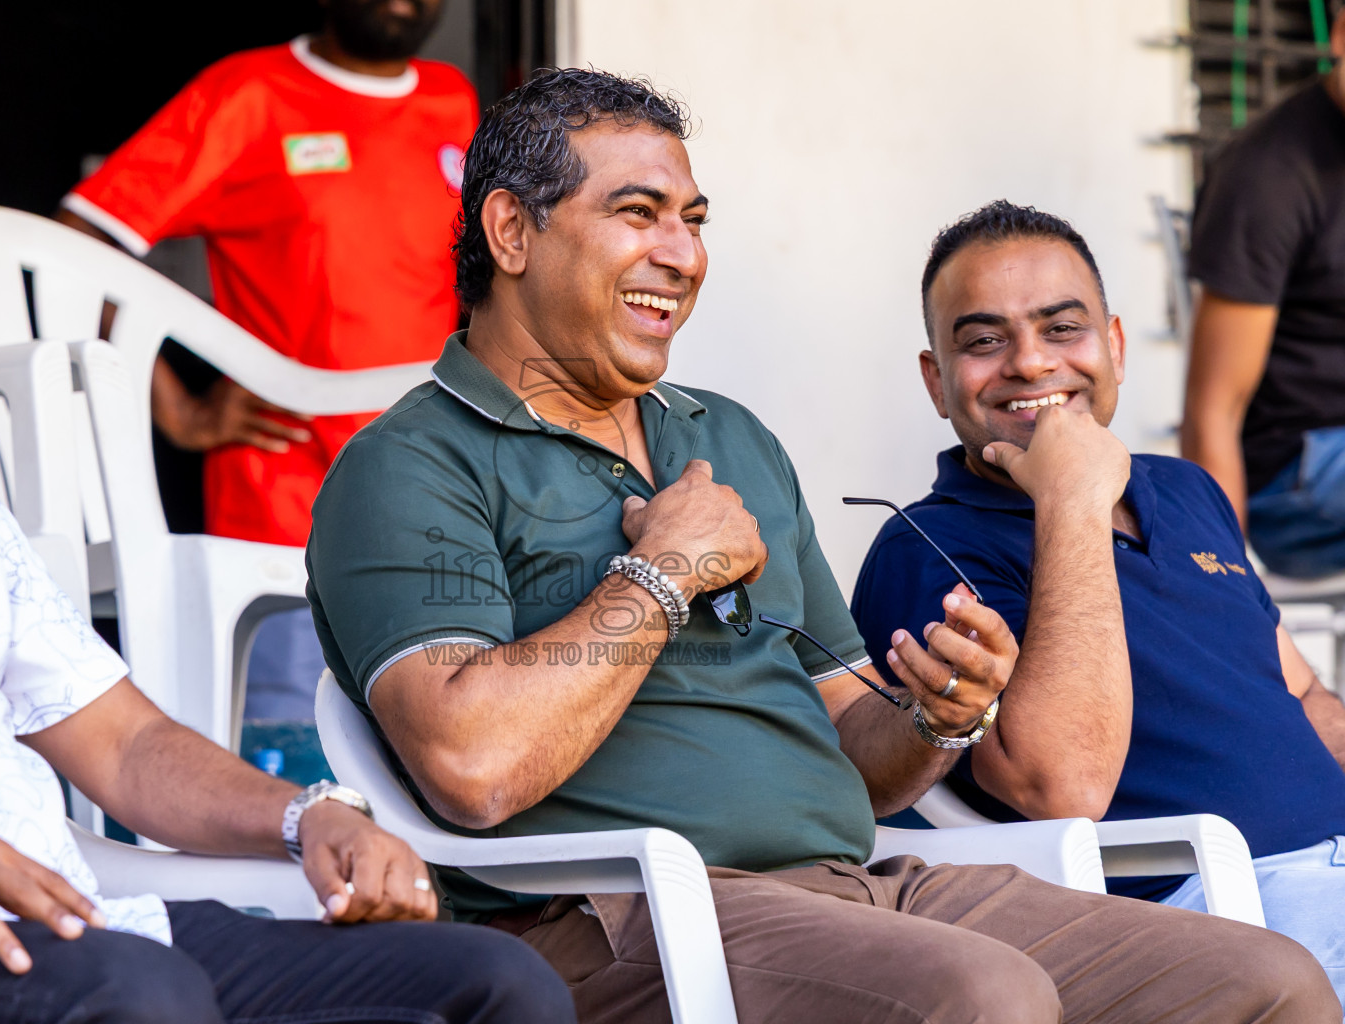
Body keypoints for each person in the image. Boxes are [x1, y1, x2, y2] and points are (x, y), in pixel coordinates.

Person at [306, 70, 1339, 1023]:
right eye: (638, 213)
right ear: (510, 232)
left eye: (694, 220)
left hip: (859, 884)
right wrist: (660, 575)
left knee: (1267, 981)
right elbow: (470, 765)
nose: (683, 252)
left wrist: (938, 717)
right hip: (616, 914)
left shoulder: (730, 438)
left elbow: (855, 738)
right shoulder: (411, 463)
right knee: (984, 994)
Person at [0, 110, 572, 1024]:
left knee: (495, 984)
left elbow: (125, 747)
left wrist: (309, 816)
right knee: (142, 995)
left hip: (79, 921)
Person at [851, 199, 1345, 1001]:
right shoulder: (926, 548)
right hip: (1212, 913)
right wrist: (1070, 500)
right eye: (983, 341)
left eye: (1061, 329)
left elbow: (1301, 692)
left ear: (1113, 346)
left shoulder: (1185, 489)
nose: (1030, 364)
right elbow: (1061, 786)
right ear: (938, 381)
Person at [60, 0, 478, 716]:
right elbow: (81, 243)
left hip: (433, 497)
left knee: (429, 764)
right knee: (293, 762)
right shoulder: (248, 94)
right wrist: (178, 410)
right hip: (286, 504)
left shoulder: (452, 98)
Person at [1181, 0, 1345, 578]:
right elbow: (1212, 410)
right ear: (1342, 36)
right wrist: (1224, 586)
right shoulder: (1269, 176)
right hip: (1292, 481)